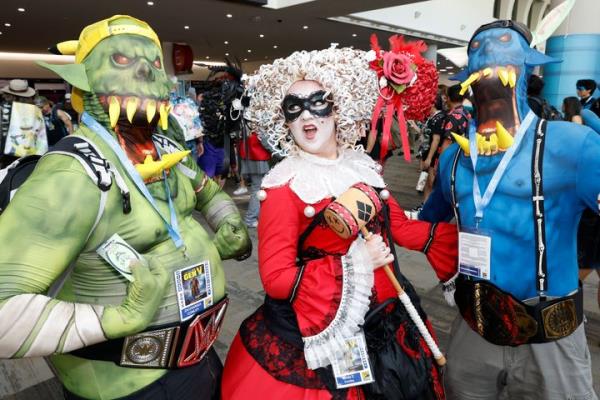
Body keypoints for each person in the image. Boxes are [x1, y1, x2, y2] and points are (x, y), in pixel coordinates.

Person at [0, 15, 251, 400]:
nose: (148, 75)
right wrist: (119, 319)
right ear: (85, 79)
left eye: (152, 64)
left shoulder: (166, 149)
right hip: (124, 382)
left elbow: (209, 194)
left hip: (198, 357)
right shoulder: (74, 173)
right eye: (121, 62)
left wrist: (229, 222)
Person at [221, 46, 458, 400]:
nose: (306, 116)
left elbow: (402, 231)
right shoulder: (284, 187)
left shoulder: (361, 167)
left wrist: (469, 239)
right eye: (293, 108)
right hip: (327, 329)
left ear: (338, 108)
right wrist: (359, 262)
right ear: (284, 120)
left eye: (318, 102)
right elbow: (277, 280)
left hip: (390, 319)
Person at [421, 20, 598, 399]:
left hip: (551, 338)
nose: (487, 52)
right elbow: (428, 223)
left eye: (503, 45)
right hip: (475, 327)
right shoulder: (454, 157)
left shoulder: (573, 145)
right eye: (477, 49)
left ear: (529, 67)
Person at [237, 127, 271, 228]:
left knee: (257, 189)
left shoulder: (245, 122)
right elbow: (266, 142)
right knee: (257, 190)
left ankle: (254, 217)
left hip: (249, 157)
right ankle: (250, 218)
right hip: (258, 158)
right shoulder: (259, 121)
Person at [439, 84, 471, 154]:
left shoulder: (453, 117)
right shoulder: (466, 112)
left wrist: (441, 161)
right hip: (462, 153)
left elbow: (447, 142)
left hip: (452, 155)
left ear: (449, 98)